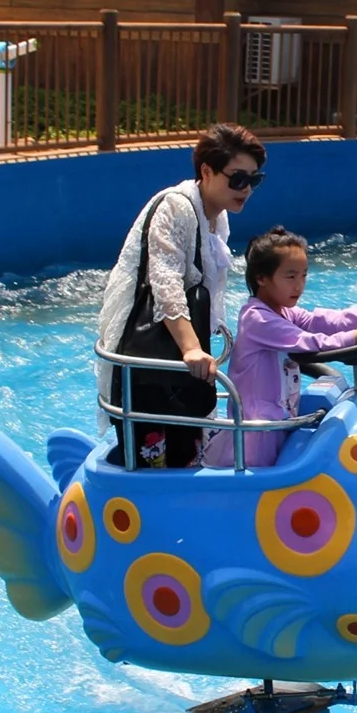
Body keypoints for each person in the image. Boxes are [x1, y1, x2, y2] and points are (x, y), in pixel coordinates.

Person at [97, 123, 265, 468]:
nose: (246, 188)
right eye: (237, 178)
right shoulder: (176, 207)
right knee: (155, 464)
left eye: (254, 179)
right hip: (153, 368)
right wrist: (191, 348)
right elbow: (165, 282)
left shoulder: (216, 219)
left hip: (179, 369)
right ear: (206, 170)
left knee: (188, 456)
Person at [203, 228, 357, 468]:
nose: (299, 285)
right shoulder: (257, 319)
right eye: (290, 276)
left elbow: (325, 321)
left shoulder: (283, 311)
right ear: (261, 278)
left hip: (279, 420)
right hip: (259, 433)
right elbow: (311, 344)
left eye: (304, 275)